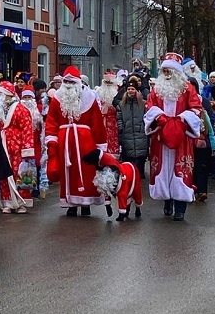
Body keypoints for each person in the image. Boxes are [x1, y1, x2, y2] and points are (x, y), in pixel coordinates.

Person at [143, 53, 203, 221]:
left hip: (181, 137)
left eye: (170, 71)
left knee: (181, 170)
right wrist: (159, 118)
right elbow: (150, 107)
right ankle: (167, 201)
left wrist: (182, 122)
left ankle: (180, 207)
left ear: (177, 72)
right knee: (162, 170)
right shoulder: (156, 90)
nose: (167, 74)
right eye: (165, 71)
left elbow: (196, 108)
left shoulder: (187, 89)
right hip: (160, 137)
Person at [44, 65, 107, 217]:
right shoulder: (58, 99)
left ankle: (86, 204)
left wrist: (100, 146)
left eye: (72, 82)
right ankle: (71, 203)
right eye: (67, 82)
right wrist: (51, 142)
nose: (69, 85)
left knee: (87, 170)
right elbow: (51, 121)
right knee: (68, 172)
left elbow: (97, 123)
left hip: (85, 141)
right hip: (65, 141)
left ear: (79, 83)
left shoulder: (90, 98)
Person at [0, 81, 33, 212]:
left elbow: (27, 129)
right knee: (4, 174)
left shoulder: (21, 109)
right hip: (2, 146)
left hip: (17, 147)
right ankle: (7, 202)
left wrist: (27, 150)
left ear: (7, 94)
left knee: (19, 173)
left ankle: (21, 202)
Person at [117, 75, 148, 179]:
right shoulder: (121, 105)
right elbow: (119, 118)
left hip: (140, 132)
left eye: (133, 89)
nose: (131, 91)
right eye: (129, 89)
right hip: (127, 132)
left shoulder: (143, 104)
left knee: (140, 155)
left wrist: (144, 127)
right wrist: (121, 128)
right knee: (128, 155)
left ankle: (140, 174)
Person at [95, 70, 122, 157]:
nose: (108, 85)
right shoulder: (98, 92)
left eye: (110, 83)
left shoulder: (118, 92)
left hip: (114, 121)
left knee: (114, 139)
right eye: (106, 83)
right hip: (101, 120)